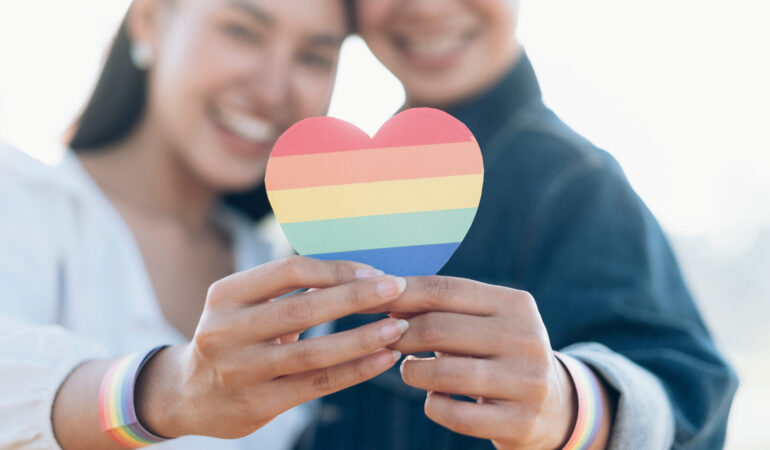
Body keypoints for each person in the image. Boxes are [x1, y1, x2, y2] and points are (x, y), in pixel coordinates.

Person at [292, 1, 738, 449]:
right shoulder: (340, 185)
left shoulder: (578, 184)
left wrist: (575, 406)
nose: (427, 7)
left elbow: (691, 397)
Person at [1, 1, 413, 449]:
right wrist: (164, 392)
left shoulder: (280, 271)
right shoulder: (21, 198)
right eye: (242, 32)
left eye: (314, 57)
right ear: (150, 19)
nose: (273, 91)